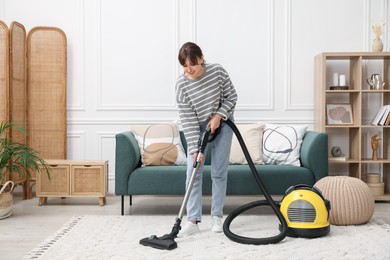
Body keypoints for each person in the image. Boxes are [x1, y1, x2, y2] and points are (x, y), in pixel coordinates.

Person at [175, 42, 238, 236]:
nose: (189, 70)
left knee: (219, 171)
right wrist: (195, 150)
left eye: (192, 64)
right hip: (198, 126)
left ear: (201, 58)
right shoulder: (182, 85)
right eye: (185, 66)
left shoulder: (217, 71)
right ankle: (193, 220)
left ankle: (217, 217)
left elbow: (231, 97)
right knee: (193, 172)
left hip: (223, 122)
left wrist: (219, 116)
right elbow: (187, 120)